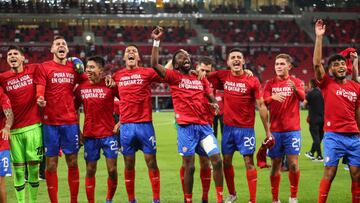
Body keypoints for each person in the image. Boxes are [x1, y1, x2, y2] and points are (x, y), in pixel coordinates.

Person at [151, 26, 224, 203]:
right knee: (189, 167)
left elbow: (210, 95)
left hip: (205, 127)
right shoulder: (174, 77)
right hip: (186, 129)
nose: (186, 58)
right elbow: (154, 65)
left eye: (188, 56)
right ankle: (189, 200)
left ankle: (220, 199)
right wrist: (156, 41)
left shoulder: (200, 78)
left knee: (217, 160)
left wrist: (214, 104)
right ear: (175, 64)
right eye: (181, 56)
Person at [207, 48, 271, 203]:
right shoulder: (222, 76)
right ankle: (232, 193)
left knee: (249, 162)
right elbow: (203, 75)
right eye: (233, 57)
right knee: (226, 161)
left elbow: (261, 106)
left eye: (239, 57)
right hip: (228, 128)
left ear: (243, 61)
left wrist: (268, 131)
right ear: (228, 62)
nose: (236, 59)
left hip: (246, 129)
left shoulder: (252, 80)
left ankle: (252, 199)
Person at [313, 19, 360, 203]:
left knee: (356, 175)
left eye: (342, 64)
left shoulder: (355, 87)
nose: (340, 66)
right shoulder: (327, 84)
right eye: (336, 64)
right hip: (333, 136)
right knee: (330, 172)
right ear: (331, 69)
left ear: (345, 67)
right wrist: (319, 37)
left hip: (354, 137)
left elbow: (357, 112)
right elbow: (317, 65)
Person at [34, 36, 81, 203]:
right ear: (52, 50)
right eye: (57, 44)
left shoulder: (74, 68)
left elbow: (86, 83)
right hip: (50, 123)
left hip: (70, 122)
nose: (61, 46)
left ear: (67, 50)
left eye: (64, 44)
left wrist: (81, 65)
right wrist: (40, 98)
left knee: (73, 162)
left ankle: (73, 200)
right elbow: (40, 88)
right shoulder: (44, 67)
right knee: (51, 164)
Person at [112, 44, 161, 203]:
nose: (131, 53)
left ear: (138, 58)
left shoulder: (147, 72)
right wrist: (119, 121)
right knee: (128, 164)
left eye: (134, 51)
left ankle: (156, 199)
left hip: (145, 125)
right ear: (124, 57)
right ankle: (132, 200)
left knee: (151, 162)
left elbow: (164, 72)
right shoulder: (117, 76)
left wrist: (156, 43)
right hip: (126, 127)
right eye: (128, 51)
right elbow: (109, 97)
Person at [0, 45, 43, 203]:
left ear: (23, 58)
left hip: (33, 128)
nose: (12, 56)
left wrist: (73, 61)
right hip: (14, 131)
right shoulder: (3, 78)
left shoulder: (34, 69)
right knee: (18, 172)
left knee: (33, 169)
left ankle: (32, 201)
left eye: (15, 53)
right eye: (9, 54)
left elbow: (54, 66)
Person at [74, 56, 119, 203]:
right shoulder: (81, 88)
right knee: (90, 170)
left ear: (101, 70)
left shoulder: (111, 85)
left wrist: (121, 122)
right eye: (87, 67)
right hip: (90, 136)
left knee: (112, 170)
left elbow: (127, 101)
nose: (88, 70)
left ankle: (109, 200)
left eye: (92, 67)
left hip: (109, 134)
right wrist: (77, 129)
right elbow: (73, 108)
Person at [263, 53, 304, 203]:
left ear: (289, 66)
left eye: (281, 64)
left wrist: (294, 89)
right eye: (276, 64)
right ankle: (275, 199)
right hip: (275, 131)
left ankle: (293, 197)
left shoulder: (297, 82)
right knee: (275, 164)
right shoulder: (270, 84)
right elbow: (262, 103)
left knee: (293, 164)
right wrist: (271, 98)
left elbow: (302, 98)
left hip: (292, 131)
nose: (278, 66)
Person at [304, 79, 324, 161]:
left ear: (311, 85)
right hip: (323, 118)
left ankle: (319, 156)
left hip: (313, 118)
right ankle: (311, 152)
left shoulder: (310, 93)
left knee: (316, 137)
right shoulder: (322, 93)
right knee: (319, 137)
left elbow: (305, 103)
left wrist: (308, 105)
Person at [0, 88, 14, 203]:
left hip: (1, 142)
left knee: (0, 180)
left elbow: (9, 114)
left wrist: (7, 127)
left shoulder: (2, 95)